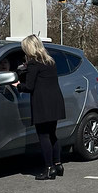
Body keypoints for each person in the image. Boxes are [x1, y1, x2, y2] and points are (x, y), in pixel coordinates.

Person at [15, 35, 66, 181]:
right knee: (52, 134)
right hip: (55, 101)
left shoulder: (33, 64)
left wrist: (18, 86)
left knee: (43, 136)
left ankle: (49, 169)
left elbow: (29, 86)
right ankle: (58, 164)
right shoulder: (50, 61)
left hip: (42, 103)